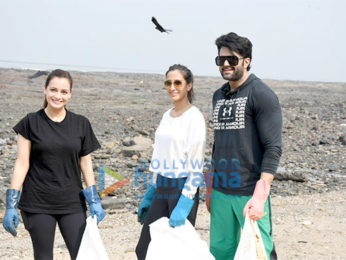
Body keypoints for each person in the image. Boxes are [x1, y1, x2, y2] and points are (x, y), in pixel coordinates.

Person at [2, 69, 105, 260]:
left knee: (82, 255)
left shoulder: (81, 123)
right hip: (37, 203)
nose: (58, 96)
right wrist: (10, 205)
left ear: (70, 94)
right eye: (53, 90)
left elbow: (86, 163)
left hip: (72, 203)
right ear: (45, 90)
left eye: (64, 92)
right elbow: (21, 163)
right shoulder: (30, 122)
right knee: (43, 257)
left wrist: (94, 200)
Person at [206, 32, 282, 259]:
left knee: (259, 252)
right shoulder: (218, 96)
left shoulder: (262, 94)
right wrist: (210, 187)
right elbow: (218, 143)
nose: (226, 64)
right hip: (221, 190)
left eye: (232, 59)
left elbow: (273, 147)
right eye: (221, 60)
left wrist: (261, 194)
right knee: (220, 252)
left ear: (246, 61)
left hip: (249, 192)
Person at [135, 64, 206, 260]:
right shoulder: (167, 115)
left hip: (182, 188)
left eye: (177, 82)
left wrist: (184, 203)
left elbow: (196, 165)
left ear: (189, 86)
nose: (172, 87)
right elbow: (159, 155)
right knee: (145, 249)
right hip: (162, 186)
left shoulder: (195, 118)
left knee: (178, 251)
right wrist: (151, 190)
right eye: (168, 82)